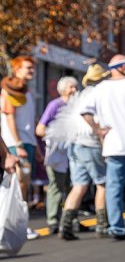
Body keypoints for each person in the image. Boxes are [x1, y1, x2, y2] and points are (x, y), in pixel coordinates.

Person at [82, 55, 125, 240]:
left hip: (113, 145)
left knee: (114, 188)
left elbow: (85, 112)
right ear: (122, 67)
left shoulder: (100, 89)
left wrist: (98, 130)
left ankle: (117, 227)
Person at [58, 64, 110, 240]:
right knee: (102, 183)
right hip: (90, 143)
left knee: (79, 185)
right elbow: (89, 116)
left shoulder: (81, 95)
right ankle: (102, 225)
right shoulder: (99, 94)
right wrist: (99, 133)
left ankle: (65, 225)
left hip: (75, 143)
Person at [1, 56, 41, 240]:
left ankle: (19, 225)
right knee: (19, 185)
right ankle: (19, 226)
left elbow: (29, 122)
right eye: (27, 68)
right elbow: (9, 118)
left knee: (23, 185)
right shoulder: (11, 90)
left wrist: (36, 147)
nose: (31, 71)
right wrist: (17, 144)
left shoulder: (27, 91)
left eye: (32, 68)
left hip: (27, 143)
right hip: (16, 145)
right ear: (17, 69)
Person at [36, 76, 78, 234]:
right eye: (71, 87)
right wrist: (56, 135)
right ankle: (53, 220)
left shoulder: (78, 106)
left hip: (74, 154)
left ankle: (70, 219)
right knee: (56, 186)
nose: (74, 90)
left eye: (75, 87)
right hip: (57, 154)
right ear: (62, 90)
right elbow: (40, 129)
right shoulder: (55, 105)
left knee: (73, 186)